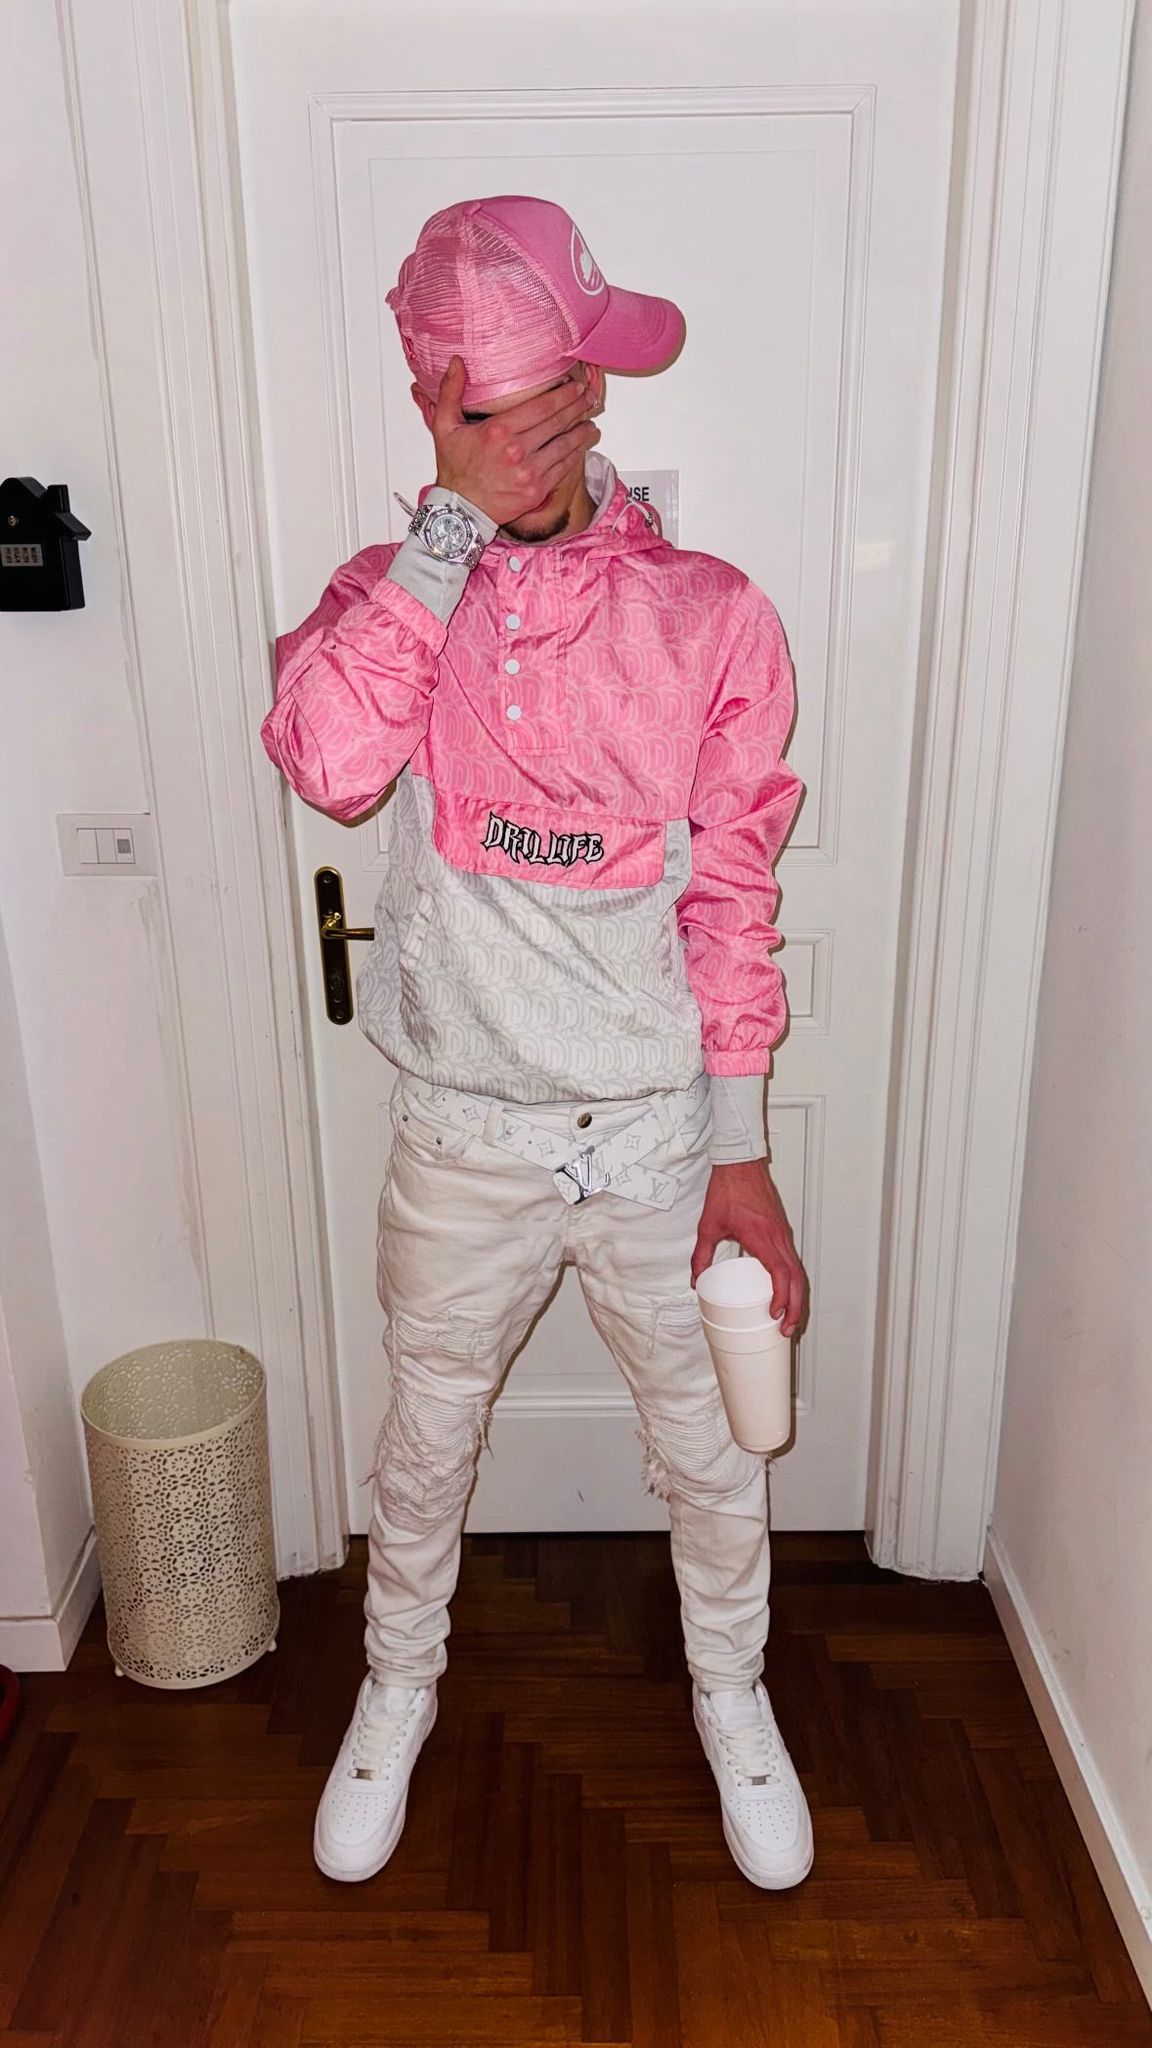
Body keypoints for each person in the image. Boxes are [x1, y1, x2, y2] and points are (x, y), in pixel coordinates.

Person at [261, 195, 811, 1892]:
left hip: (655, 1138)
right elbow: (328, 765)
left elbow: (733, 895)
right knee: (425, 1442)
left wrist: (741, 1154)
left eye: (571, 383)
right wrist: (446, 529)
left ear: (595, 382)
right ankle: (396, 1690)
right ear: (438, 406)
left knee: (712, 1451)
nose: (558, 422)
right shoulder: (387, 606)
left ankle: (732, 1693)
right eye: (507, 401)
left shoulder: (708, 613)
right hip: (465, 1135)